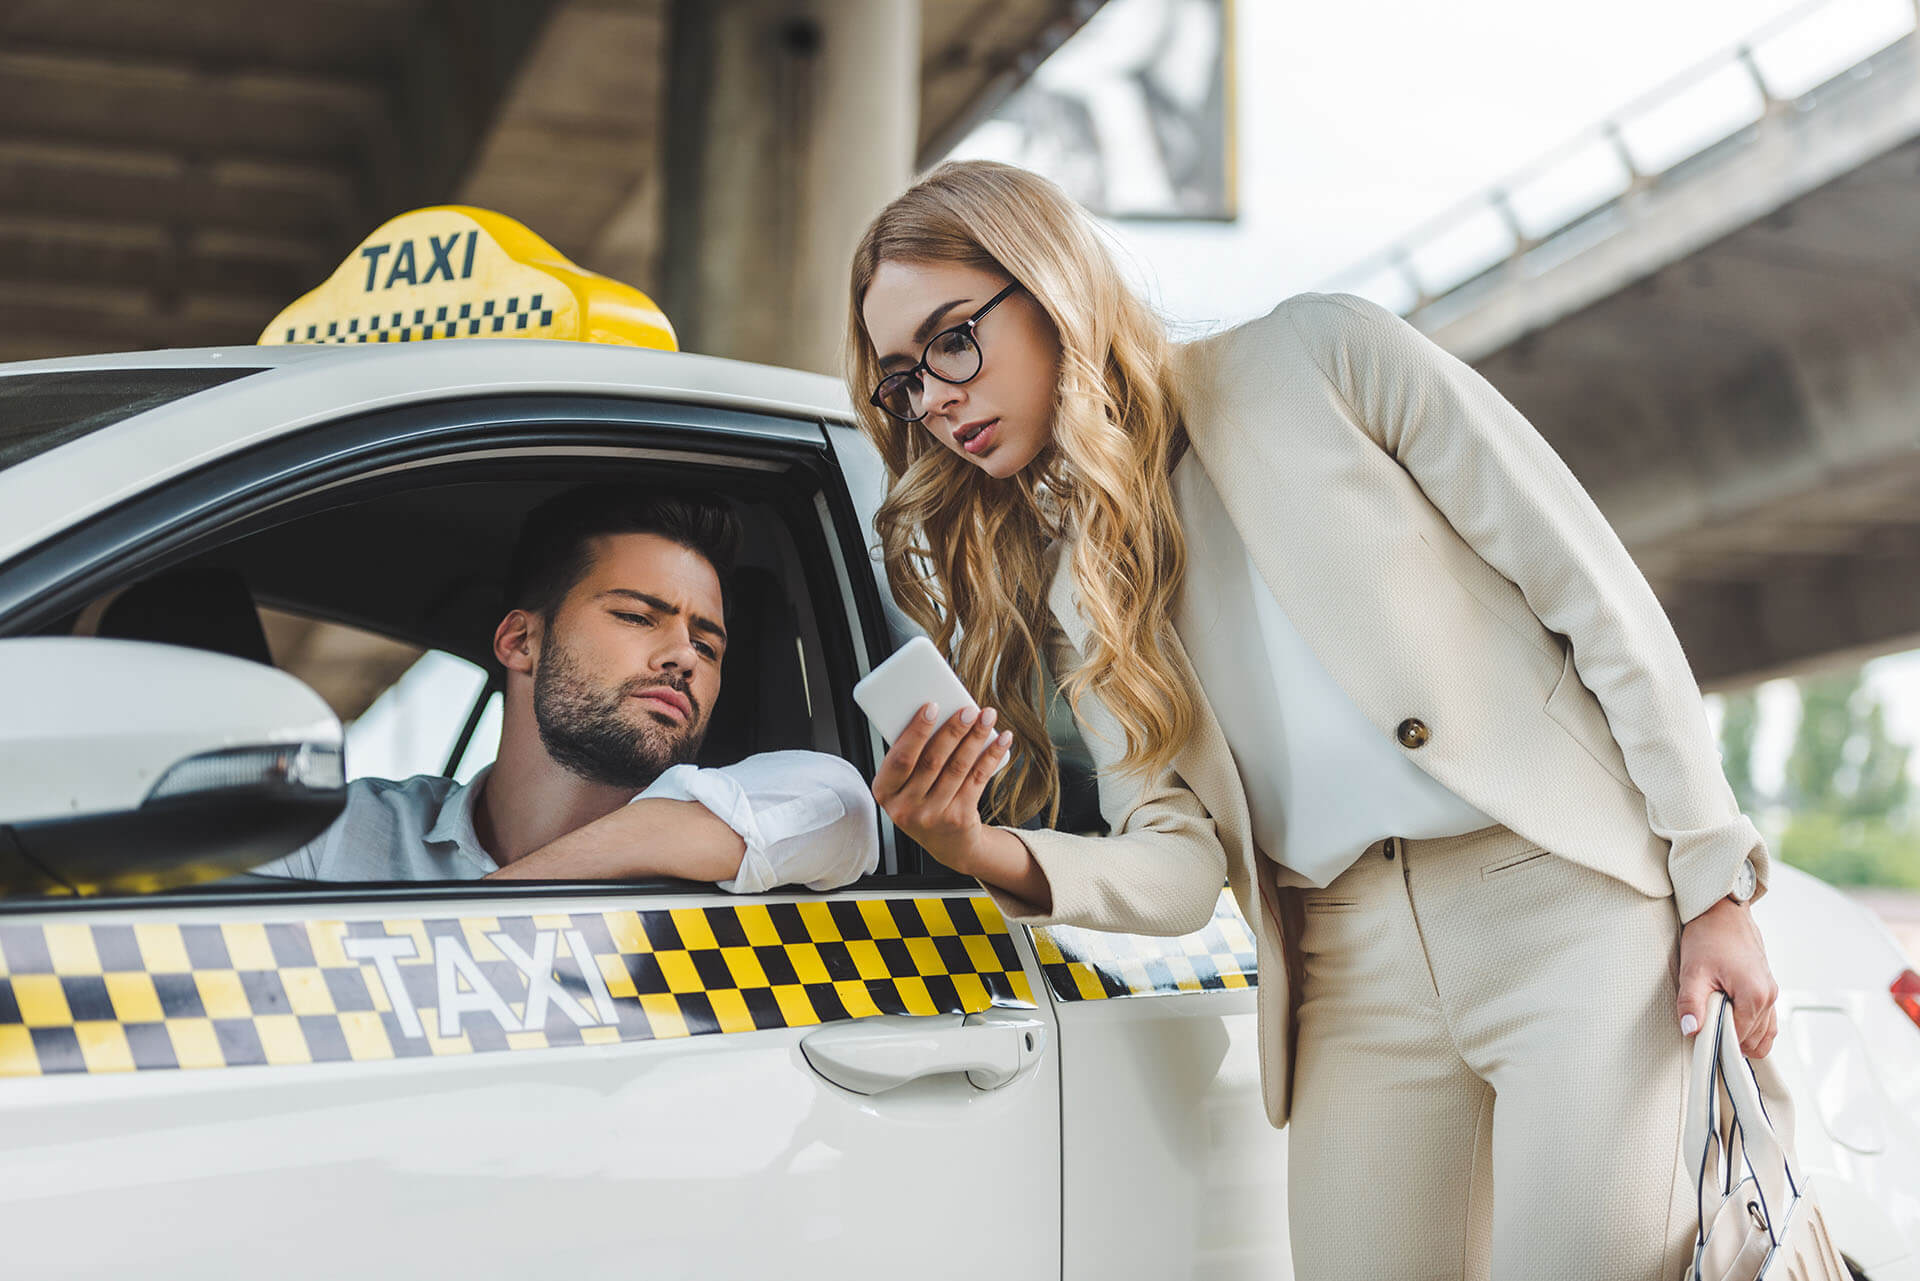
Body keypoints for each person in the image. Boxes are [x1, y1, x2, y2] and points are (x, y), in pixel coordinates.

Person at [845, 160, 1797, 1279]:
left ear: (1050, 284)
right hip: (1347, 968)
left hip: (1565, 911)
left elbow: (1594, 598)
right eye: (904, 378)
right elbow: (1180, 861)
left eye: (953, 339)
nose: (936, 397)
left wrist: (1716, 881)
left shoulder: (1322, 357)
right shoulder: (1076, 587)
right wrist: (982, 846)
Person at [255, 485, 876, 893]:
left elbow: (842, 803)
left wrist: (484, 909)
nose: (683, 656)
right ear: (520, 642)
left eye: (707, 645)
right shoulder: (339, 838)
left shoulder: (723, 854)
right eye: (637, 616)